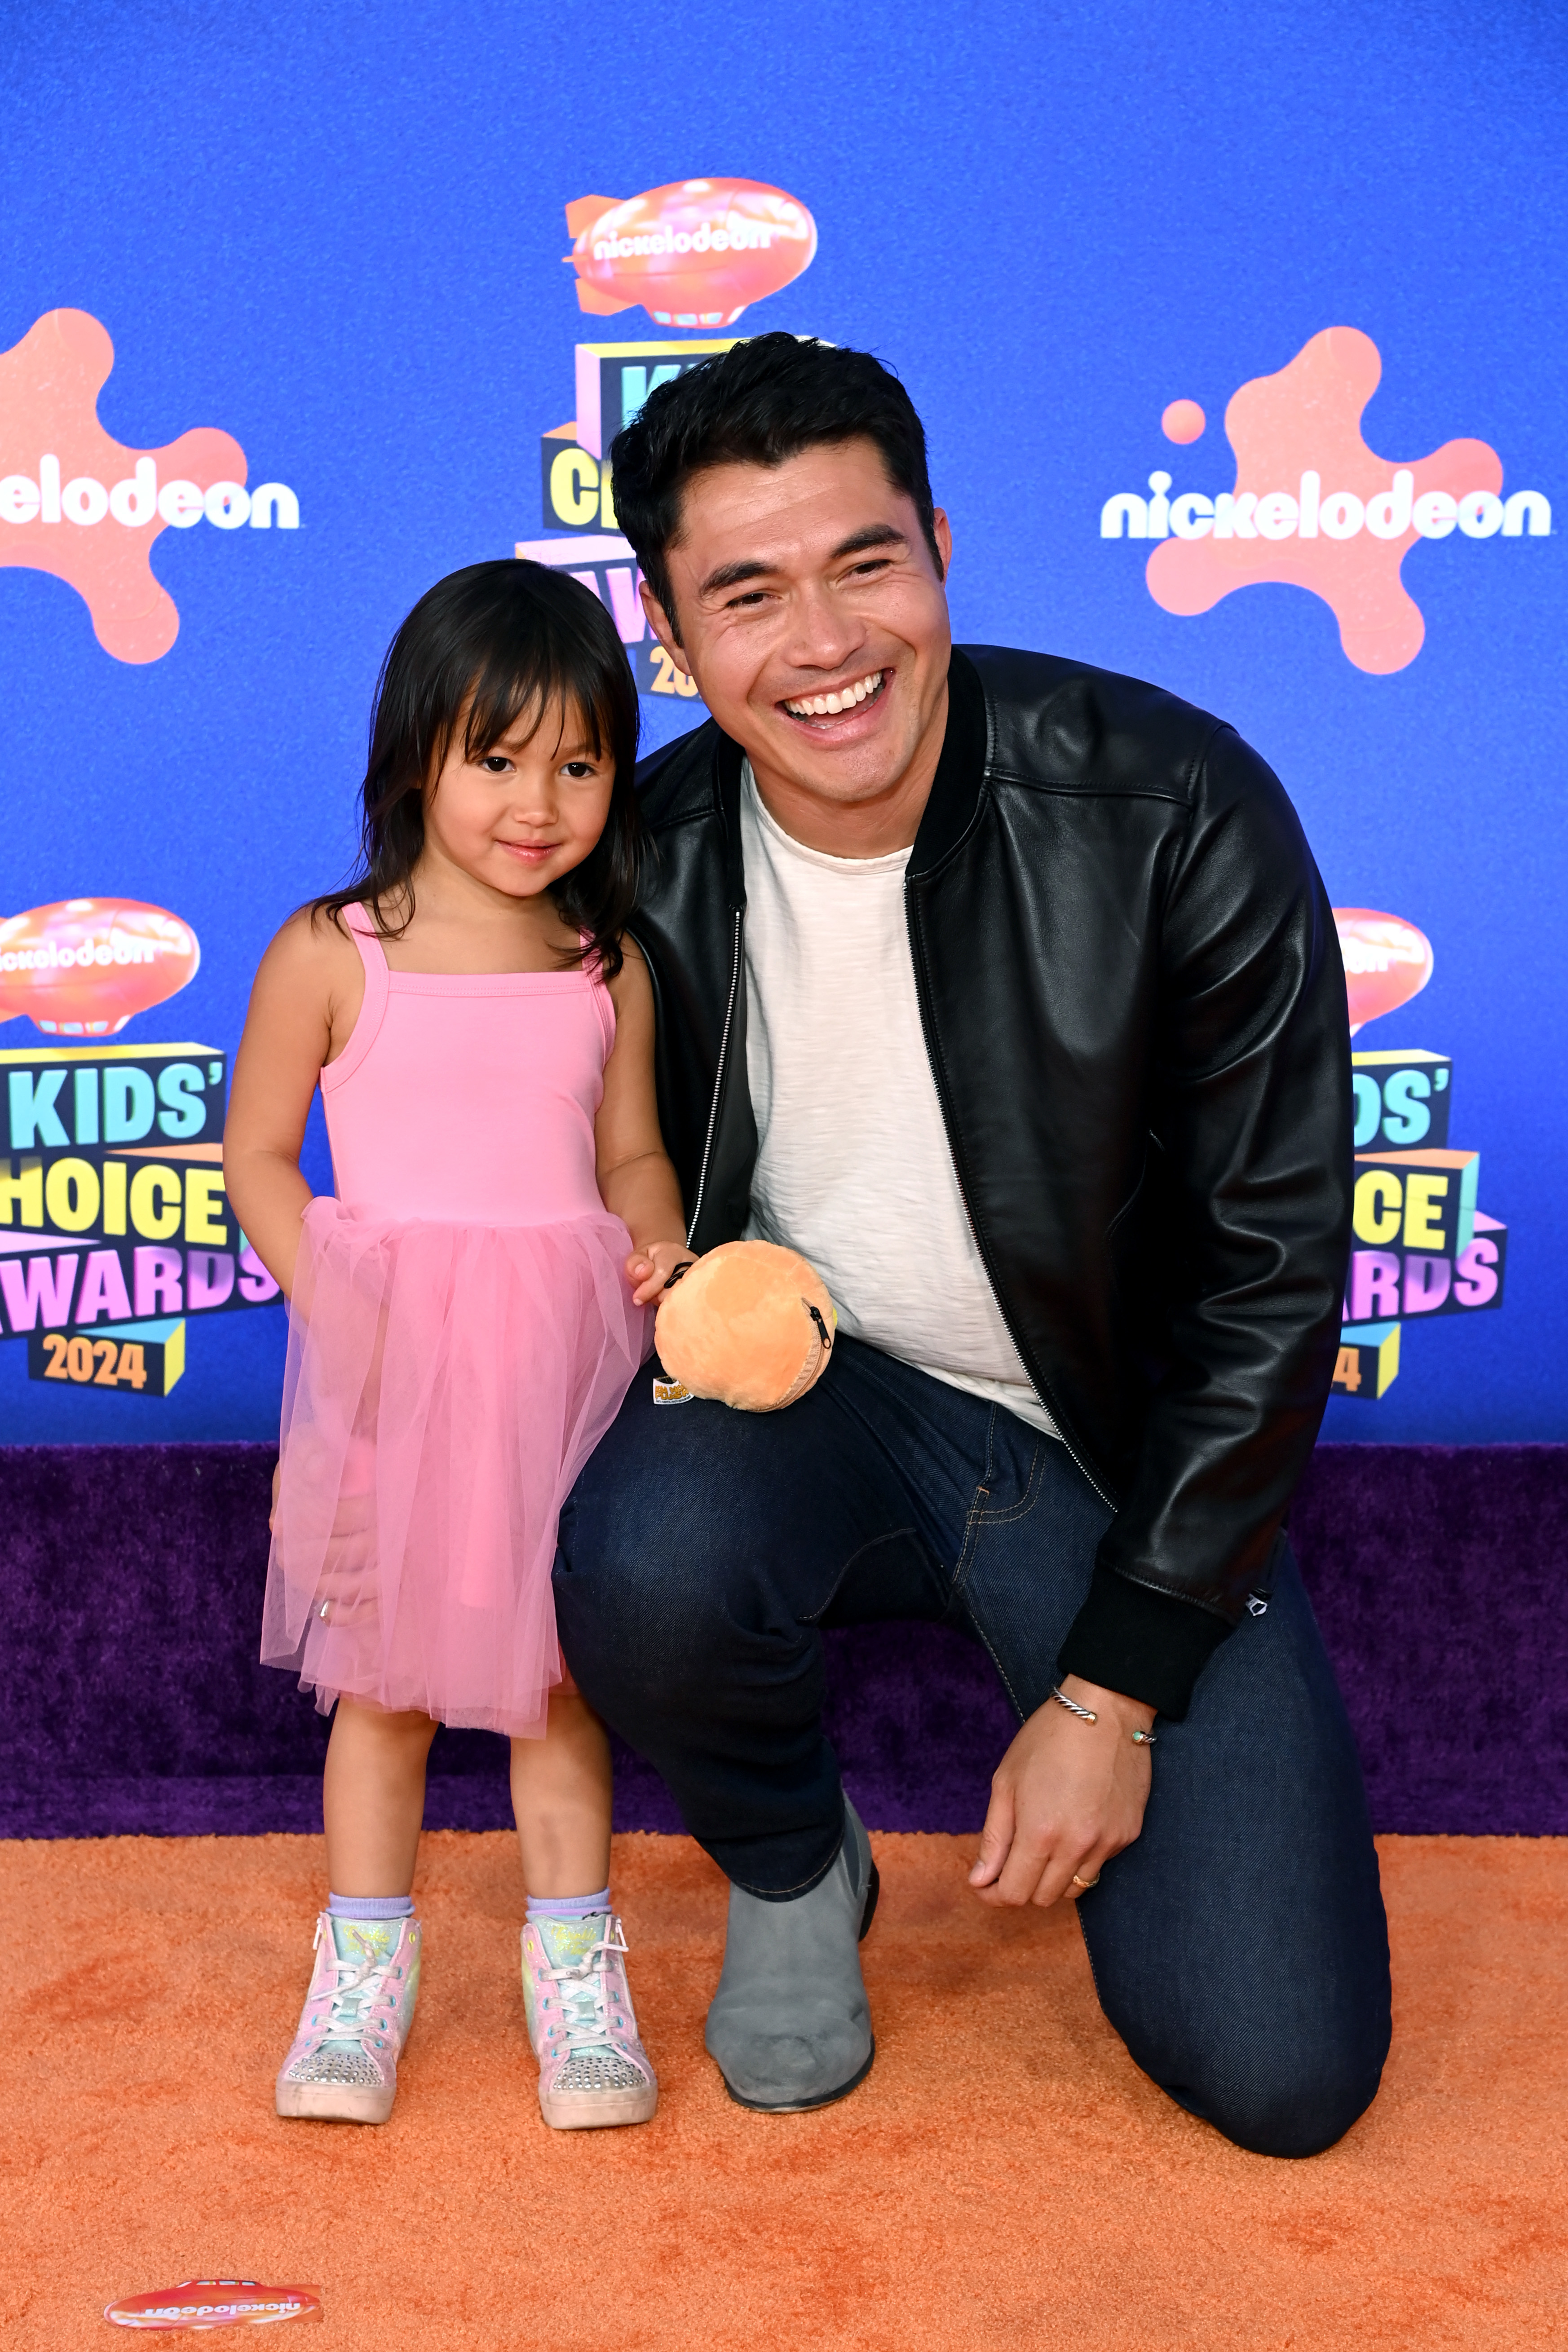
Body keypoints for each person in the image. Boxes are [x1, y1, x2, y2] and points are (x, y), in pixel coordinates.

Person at [552, 335, 1392, 2157]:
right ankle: (796, 1859)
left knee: (1282, 2073)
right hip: (828, 1409)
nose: (829, 642)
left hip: (1127, 1454)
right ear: (672, 638)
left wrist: (1115, 1686)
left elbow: (1272, 1270)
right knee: (644, 1547)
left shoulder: (1172, 803)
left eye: (866, 561)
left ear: (940, 546)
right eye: (750, 594)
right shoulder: (643, 860)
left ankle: (1104, 1674)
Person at [225, 561, 694, 2131]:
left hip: (564, 1376)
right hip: (396, 1381)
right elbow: (261, 1160)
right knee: (385, 1690)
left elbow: (625, 1156)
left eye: (579, 762)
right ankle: (363, 1980)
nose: (537, 801)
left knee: (562, 1687)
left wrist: (659, 1240)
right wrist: (337, 1296)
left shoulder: (602, 966)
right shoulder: (328, 951)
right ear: (418, 751)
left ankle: (577, 1981)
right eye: (497, 757)